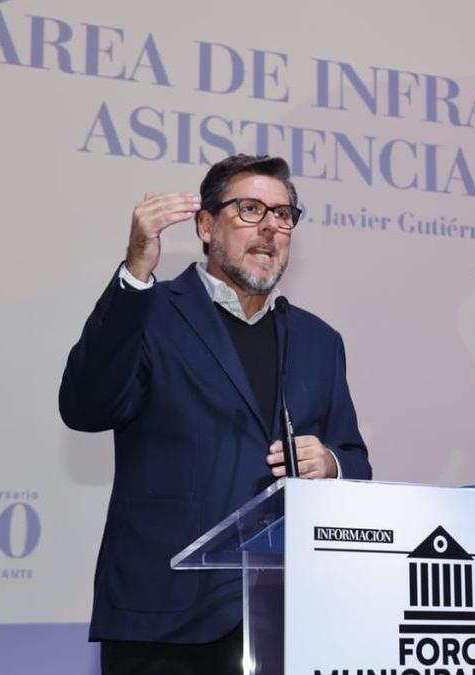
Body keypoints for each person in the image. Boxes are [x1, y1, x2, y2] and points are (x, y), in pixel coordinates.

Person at [59, 154, 372, 674]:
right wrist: (137, 269)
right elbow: (86, 406)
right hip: (166, 622)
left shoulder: (320, 341)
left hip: (289, 621)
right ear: (205, 225)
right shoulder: (151, 312)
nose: (271, 227)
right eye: (250, 210)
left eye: (283, 215)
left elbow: (355, 461)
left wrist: (332, 464)